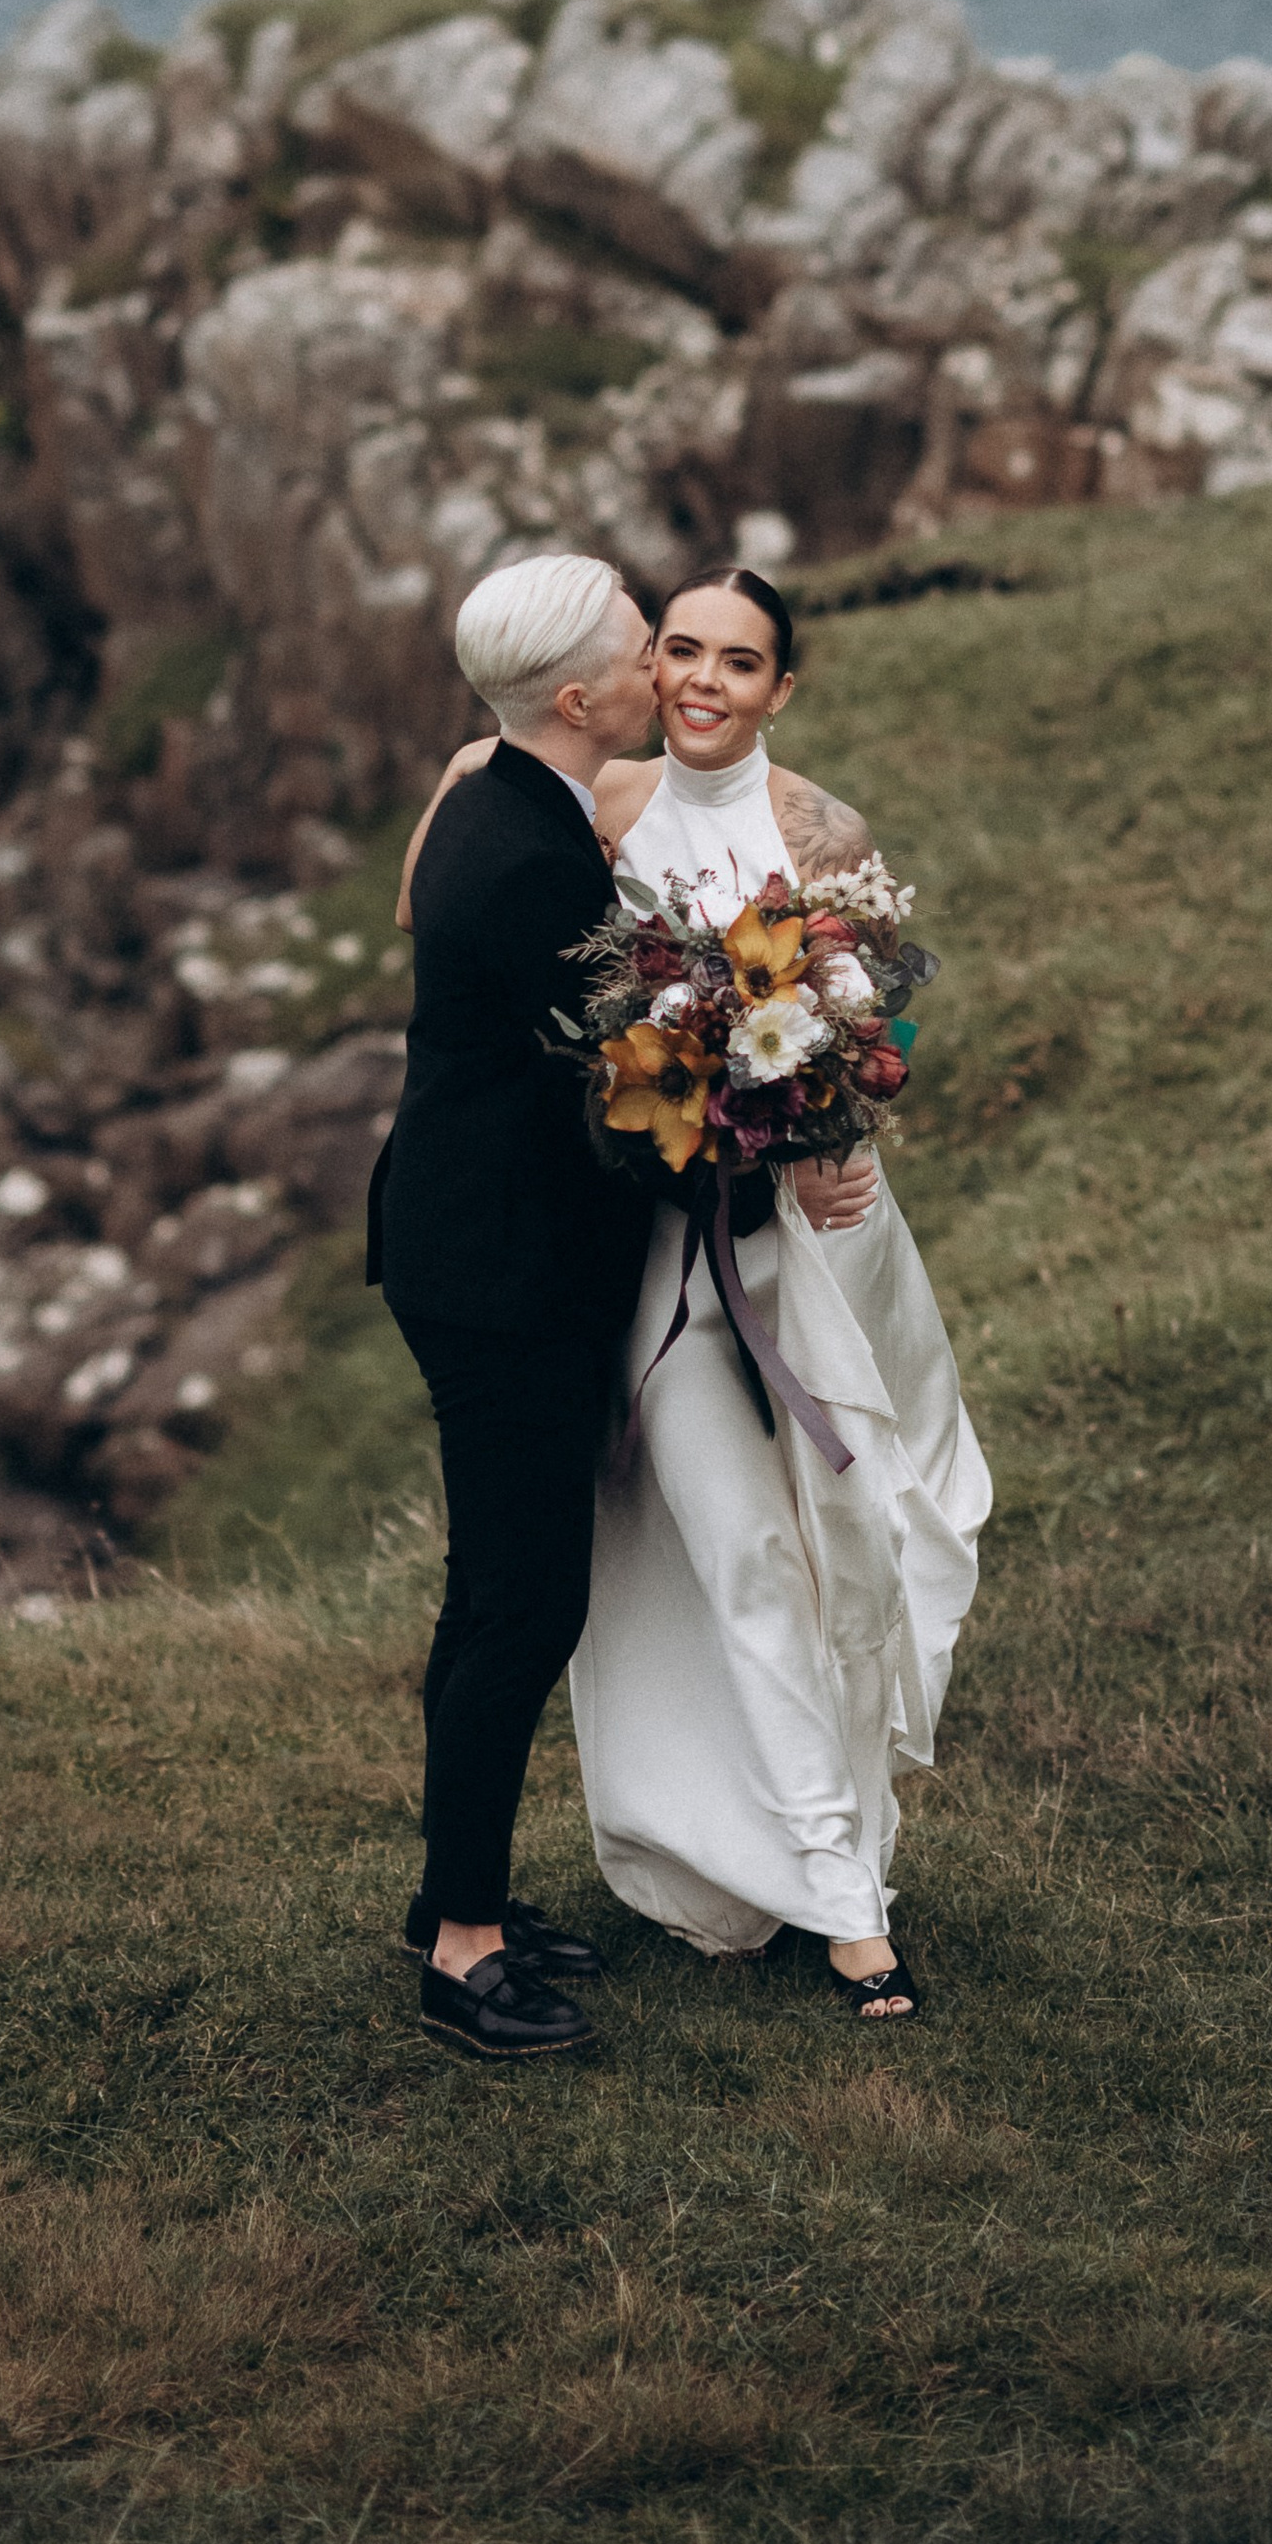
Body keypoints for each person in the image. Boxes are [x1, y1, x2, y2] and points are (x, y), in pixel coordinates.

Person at [397, 563, 990, 2021]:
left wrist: (836, 1136)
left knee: (831, 1542)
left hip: (782, 1244)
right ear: (621, 680)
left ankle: (830, 1876)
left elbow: (862, 1016)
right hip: (646, 1243)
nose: (703, 678)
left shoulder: (817, 830)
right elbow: (458, 944)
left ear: (783, 687)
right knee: (691, 1565)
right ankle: (797, 1903)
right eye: (675, 647)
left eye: (741, 659)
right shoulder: (555, 801)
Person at [366, 552, 659, 2061]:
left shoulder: (505, 790)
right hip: (500, 1271)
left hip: (467, 1240)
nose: (657, 657)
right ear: (578, 697)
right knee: (522, 1600)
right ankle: (462, 1953)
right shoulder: (536, 858)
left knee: (492, 1589)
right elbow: (626, 1079)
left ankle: (446, 1902)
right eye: (638, 643)